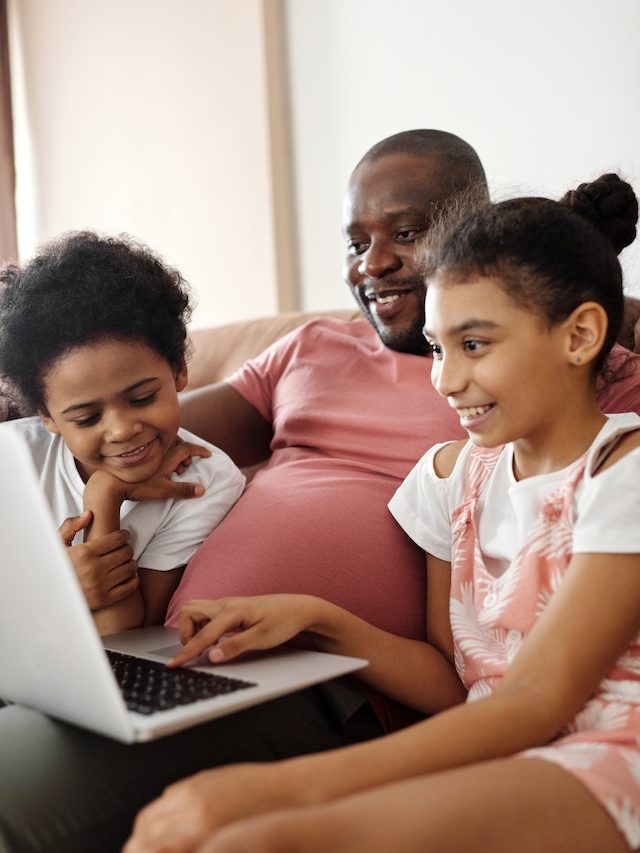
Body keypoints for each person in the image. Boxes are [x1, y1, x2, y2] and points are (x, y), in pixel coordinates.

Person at [1, 133, 640, 853]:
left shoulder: (573, 407)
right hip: (207, 654)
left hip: (347, 701)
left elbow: (529, 695)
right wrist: (309, 615)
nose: (373, 261)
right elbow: (132, 427)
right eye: (355, 240)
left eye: (405, 231)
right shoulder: (397, 424)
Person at [0, 231, 245, 634]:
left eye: (143, 398)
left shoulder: (205, 481)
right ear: (47, 416)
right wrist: (50, 589)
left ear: (179, 370)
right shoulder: (15, 460)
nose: (121, 430)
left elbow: (124, 636)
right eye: (86, 419)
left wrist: (104, 494)